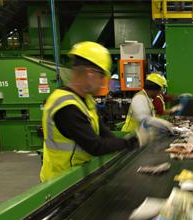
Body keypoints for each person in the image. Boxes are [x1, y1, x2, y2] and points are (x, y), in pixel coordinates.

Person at [40, 41, 138, 182]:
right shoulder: (66, 106)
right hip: (60, 183)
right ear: (90, 74)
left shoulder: (85, 100)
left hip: (78, 175)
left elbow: (104, 134)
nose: (103, 83)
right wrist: (130, 143)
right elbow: (95, 146)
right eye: (102, 77)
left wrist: (126, 142)